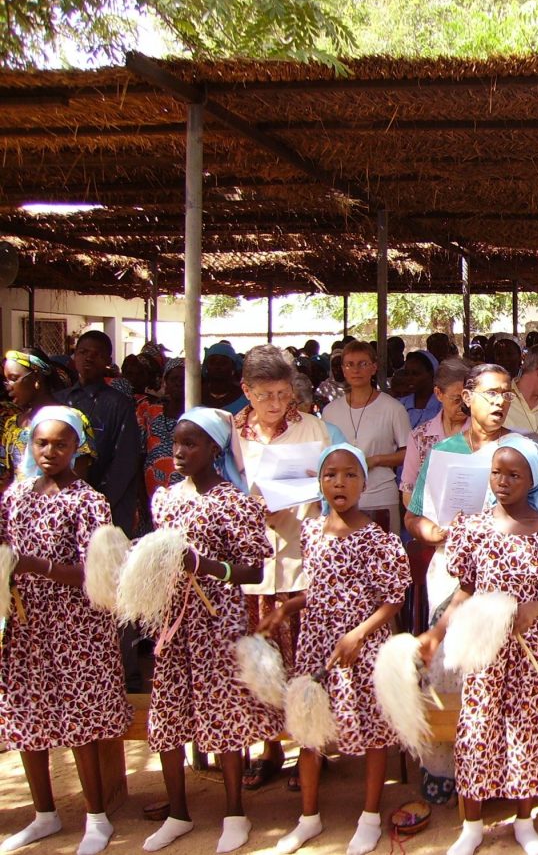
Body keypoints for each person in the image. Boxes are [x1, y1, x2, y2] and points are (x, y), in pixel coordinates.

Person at [418, 436, 538, 855]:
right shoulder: (472, 529)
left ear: (532, 480)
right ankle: (471, 825)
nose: (503, 481)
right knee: (477, 731)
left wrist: (535, 608)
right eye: (497, 472)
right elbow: (464, 591)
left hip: (531, 656)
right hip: (485, 653)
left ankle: (525, 820)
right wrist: (435, 634)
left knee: (527, 734)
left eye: (514, 475)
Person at [142, 408, 283, 854]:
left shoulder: (234, 501)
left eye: (191, 445)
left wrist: (206, 567)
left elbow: (253, 568)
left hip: (216, 621)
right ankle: (177, 813)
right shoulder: (165, 499)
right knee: (168, 712)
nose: (179, 452)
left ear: (214, 449)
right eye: (177, 444)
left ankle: (234, 812)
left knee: (224, 712)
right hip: (173, 620)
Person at [0, 407, 131, 855]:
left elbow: (94, 572)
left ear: (78, 446)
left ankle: (96, 818)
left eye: (60, 443)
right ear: (29, 445)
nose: (50, 451)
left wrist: (35, 566)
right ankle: (44, 815)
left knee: (83, 719)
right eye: (41, 443)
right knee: (28, 716)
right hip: (25, 623)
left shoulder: (88, 501)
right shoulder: (15, 496)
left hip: (77, 625)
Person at [271, 445, 409, 855]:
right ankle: (308, 818)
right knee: (310, 726)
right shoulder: (312, 531)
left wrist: (358, 635)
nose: (339, 483)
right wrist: (290, 608)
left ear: (365, 483)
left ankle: (368, 818)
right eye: (331, 475)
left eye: (350, 475)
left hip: (360, 648)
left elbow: (394, 598)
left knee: (372, 731)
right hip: (317, 643)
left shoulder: (377, 539)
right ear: (320, 483)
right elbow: (320, 589)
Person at [404, 363, 517, 805]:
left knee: (499, 673)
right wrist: (428, 531)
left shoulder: (524, 450)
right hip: (451, 574)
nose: (499, 401)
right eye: (489, 393)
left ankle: (503, 769)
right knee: (448, 672)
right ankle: (443, 766)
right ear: (466, 397)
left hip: (506, 577)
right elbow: (414, 514)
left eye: (506, 392)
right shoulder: (443, 451)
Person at [230, 345, 332, 790]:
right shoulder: (231, 433)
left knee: (304, 660)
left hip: (299, 559)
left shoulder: (311, 428)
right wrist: (250, 508)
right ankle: (269, 747)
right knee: (261, 662)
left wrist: (301, 498)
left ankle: (311, 749)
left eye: (283, 392)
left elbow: (332, 485)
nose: (276, 403)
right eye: (266, 394)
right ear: (246, 391)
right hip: (250, 565)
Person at [56, 329, 141, 537]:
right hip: (60, 503)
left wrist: (100, 502)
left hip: (104, 505)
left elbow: (126, 459)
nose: (89, 358)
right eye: (83, 352)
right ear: (74, 356)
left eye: (97, 354)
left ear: (108, 361)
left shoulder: (119, 404)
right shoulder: (59, 400)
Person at [322, 342, 412, 533]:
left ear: (374, 367)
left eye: (363, 364)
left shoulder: (393, 408)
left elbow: (409, 452)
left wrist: (376, 460)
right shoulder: (330, 411)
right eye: (349, 364)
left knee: (385, 556)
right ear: (343, 369)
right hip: (340, 497)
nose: (356, 370)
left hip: (379, 494)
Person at [0, 347, 91, 494]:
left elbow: (79, 478)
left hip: (59, 510)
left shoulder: (72, 420)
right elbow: (7, 478)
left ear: (36, 378)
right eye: (6, 380)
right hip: (18, 511)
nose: (8, 387)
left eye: (14, 378)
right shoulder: (12, 424)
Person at [401, 358, 470, 510]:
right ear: (439, 394)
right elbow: (408, 490)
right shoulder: (420, 437)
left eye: (468, 398)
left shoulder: (480, 433)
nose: (464, 406)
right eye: (457, 399)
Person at [138, 358, 186, 509]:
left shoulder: (199, 416)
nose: (179, 383)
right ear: (165, 382)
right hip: (151, 489)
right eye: (174, 379)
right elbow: (139, 453)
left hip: (186, 494)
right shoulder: (149, 412)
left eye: (184, 379)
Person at [398, 351, 442, 431]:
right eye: (406, 373)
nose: (409, 378)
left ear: (431, 373)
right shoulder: (401, 405)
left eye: (415, 374)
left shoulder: (442, 405)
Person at [201, 343, 248, 415]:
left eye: (223, 363)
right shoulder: (196, 396)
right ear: (206, 366)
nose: (217, 366)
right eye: (212, 362)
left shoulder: (245, 398)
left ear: (233, 367)